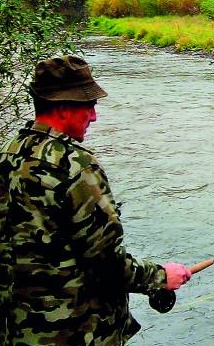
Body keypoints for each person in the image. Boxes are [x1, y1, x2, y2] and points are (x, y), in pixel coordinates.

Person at [0, 55, 192, 345]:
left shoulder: (9, 152)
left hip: (15, 331)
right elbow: (106, 263)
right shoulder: (76, 166)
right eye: (89, 105)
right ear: (64, 107)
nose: (93, 116)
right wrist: (161, 277)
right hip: (75, 333)